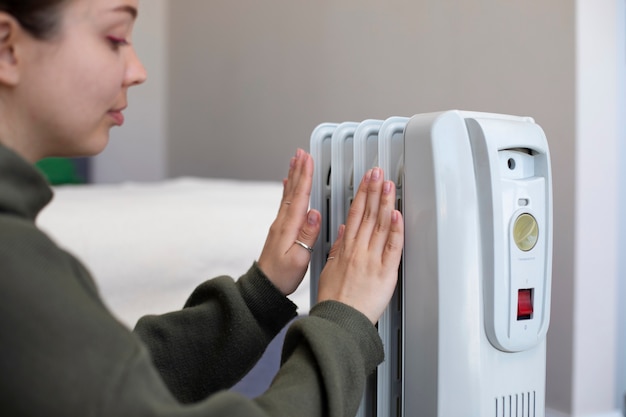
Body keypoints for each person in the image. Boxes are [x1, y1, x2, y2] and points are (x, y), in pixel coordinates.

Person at [0, 0, 404, 416]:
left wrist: (257, 297)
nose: (137, 70)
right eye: (115, 38)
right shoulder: (14, 263)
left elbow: (105, 383)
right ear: (8, 47)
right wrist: (342, 324)